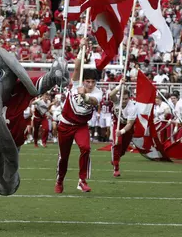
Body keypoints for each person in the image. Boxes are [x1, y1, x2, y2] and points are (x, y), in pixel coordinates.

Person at [55, 40, 103, 193]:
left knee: (86, 148)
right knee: (64, 156)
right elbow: (77, 67)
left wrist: (86, 97)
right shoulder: (76, 84)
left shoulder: (98, 92)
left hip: (81, 126)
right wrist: (81, 49)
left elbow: (95, 101)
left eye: (93, 82)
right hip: (65, 124)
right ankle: (60, 179)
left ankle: (82, 180)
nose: (90, 84)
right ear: (83, 80)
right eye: (88, 81)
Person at [110, 79, 136, 177]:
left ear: (129, 98)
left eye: (126, 99)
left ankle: (115, 158)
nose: (124, 101)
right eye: (122, 98)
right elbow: (111, 95)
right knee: (117, 143)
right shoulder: (116, 101)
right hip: (117, 123)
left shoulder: (132, 108)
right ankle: (116, 167)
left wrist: (121, 131)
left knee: (123, 150)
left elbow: (130, 124)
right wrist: (119, 86)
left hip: (126, 127)